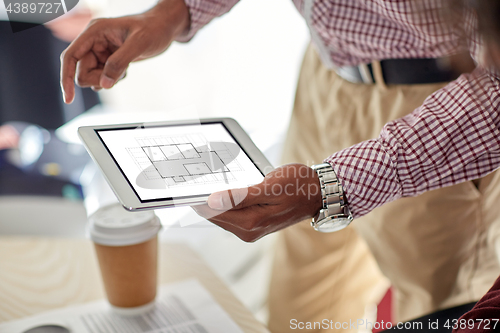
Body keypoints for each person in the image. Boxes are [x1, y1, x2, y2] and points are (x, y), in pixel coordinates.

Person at [60, 0, 500, 331]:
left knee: (434, 311)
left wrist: (335, 184)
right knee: (298, 311)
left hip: (444, 113)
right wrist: (175, 12)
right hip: (325, 77)